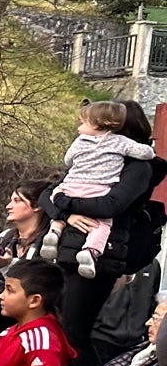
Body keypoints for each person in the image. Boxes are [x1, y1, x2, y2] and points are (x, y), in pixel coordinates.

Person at [38, 101, 156, 281]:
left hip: (104, 260)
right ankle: (84, 247)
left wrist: (64, 202)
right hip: (66, 249)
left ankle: (68, 238)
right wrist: (66, 215)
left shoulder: (138, 168)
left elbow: (109, 206)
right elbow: (45, 196)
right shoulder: (93, 155)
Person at [0, 183, 54, 343]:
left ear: (37, 206)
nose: (9, 206)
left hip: (30, 327)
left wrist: (3, 265)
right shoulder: (5, 237)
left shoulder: (49, 242)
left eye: (17, 201)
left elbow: (40, 278)